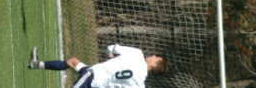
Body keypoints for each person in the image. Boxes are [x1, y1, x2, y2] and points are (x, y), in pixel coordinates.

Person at [27, 44, 168, 88]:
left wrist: (110, 55)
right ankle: (36, 64)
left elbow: (111, 48)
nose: (153, 56)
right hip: (94, 78)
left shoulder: (137, 53)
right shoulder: (139, 85)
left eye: (156, 58)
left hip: (92, 79)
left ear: (155, 64)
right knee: (73, 61)